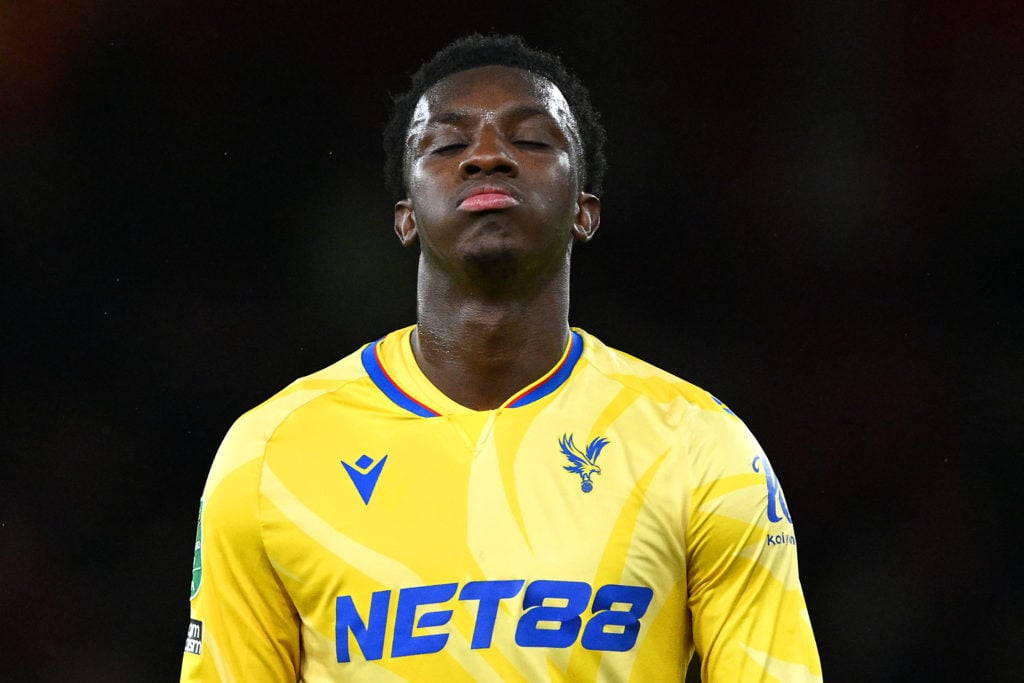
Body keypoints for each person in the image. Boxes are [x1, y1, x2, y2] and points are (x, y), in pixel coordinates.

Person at [180, 34, 822, 681]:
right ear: (404, 216)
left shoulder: (699, 447)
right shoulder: (268, 457)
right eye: (448, 144)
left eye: (533, 141)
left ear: (586, 210)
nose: (487, 156)